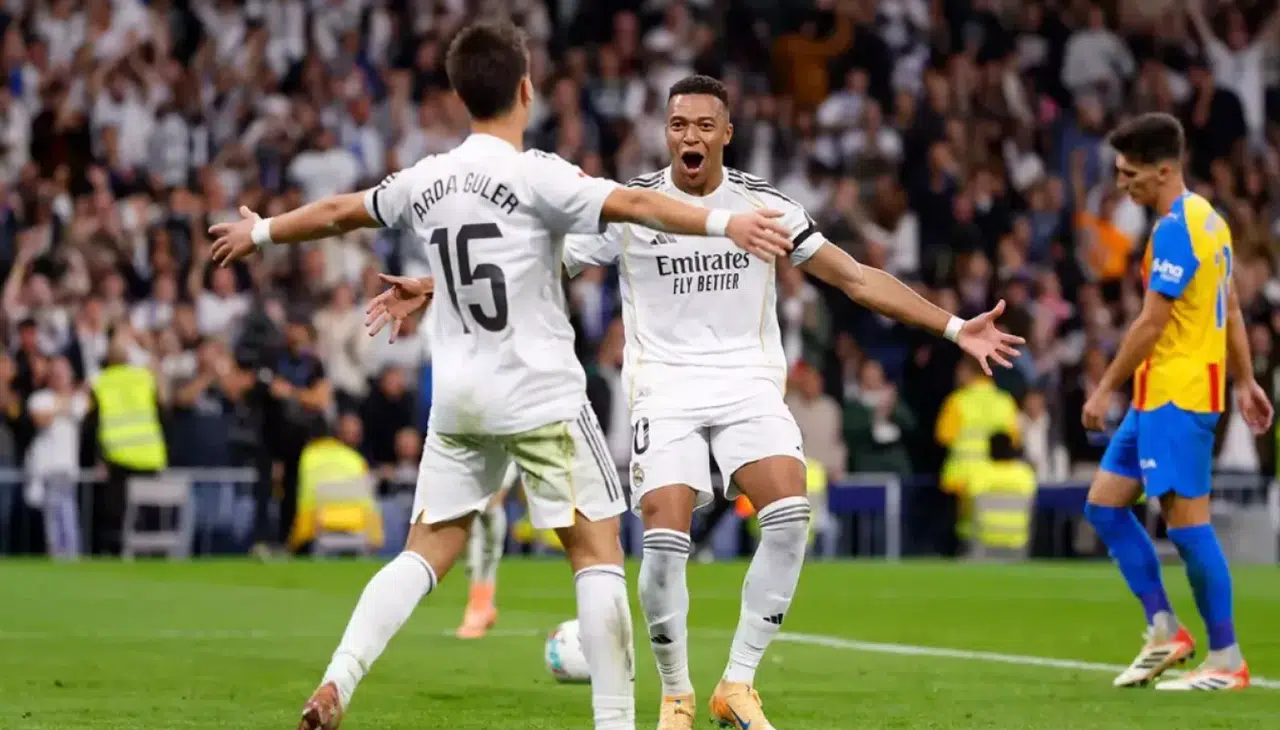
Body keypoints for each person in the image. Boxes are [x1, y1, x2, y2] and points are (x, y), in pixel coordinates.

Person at [209, 21, 794, 730]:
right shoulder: (537, 173)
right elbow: (637, 204)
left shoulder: (426, 178)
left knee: (426, 551)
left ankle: (339, 679)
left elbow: (340, 212)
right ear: (526, 88)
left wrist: (260, 231)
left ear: (460, 96)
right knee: (597, 552)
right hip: (538, 394)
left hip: (459, 399)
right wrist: (725, 225)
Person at [558, 74, 1022, 729]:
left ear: (727, 133)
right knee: (663, 539)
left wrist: (953, 327)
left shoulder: (765, 207)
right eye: (679, 124)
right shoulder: (632, 206)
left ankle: (737, 682)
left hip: (748, 384)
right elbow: (547, 267)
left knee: (788, 513)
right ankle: (676, 694)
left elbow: (855, 278)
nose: (690, 136)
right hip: (666, 389)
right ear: (666, 132)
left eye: (704, 125)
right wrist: (446, 288)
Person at [1081, 112, 1273, 691]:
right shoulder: (1210, 221)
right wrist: (1245, 381)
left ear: (1163, 170)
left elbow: (1151, 322)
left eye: (1130, 174)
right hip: (1159, 397)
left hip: (1179, 397)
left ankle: (1227, 657)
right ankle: (1165, 628)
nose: (1122, 184)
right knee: (1104, 505)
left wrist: (1104, 387)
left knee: (1189, 529)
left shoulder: (1175, 230)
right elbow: (1229, 308)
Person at [455, 461, 518, 639]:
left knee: (486, 555)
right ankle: (482, 608)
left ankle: (479, 610)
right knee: (478, 559)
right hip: (474, 500)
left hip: (488, 506)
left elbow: (499, 493)